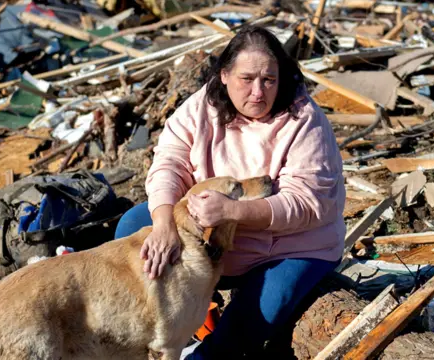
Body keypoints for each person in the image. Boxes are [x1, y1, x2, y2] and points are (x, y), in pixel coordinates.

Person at [114, 25, 346, 359]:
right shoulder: (202, 107)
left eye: (268, 80)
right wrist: (164, 223)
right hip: (217, 231)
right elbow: (170, 162)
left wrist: (232, 212)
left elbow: (306, 204)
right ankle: (156, 331)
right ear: (224, 76)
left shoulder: (304, 120)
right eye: (246, 79)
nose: (257, 92)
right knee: (135, 227)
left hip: (291, 243)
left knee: (258, 314)